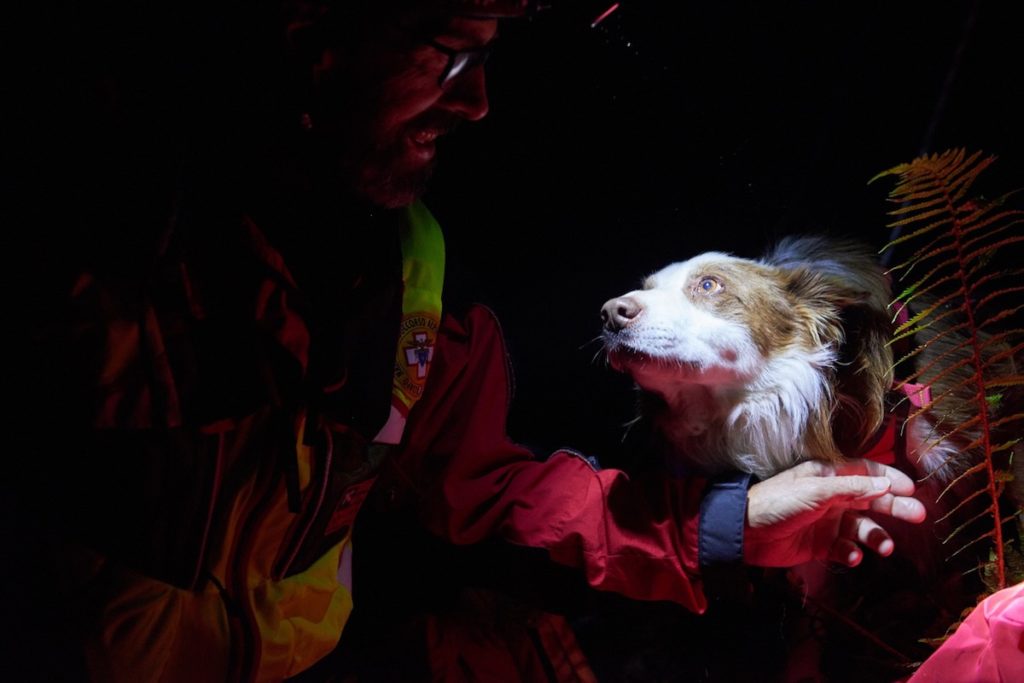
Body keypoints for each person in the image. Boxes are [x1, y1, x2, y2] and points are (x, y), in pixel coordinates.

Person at [10, 0, 926, 681]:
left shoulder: (418, 267)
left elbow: (486, 492)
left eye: (487, 60)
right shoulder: (92, 223)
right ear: (312, 36)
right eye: (450, 52)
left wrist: (732, 524)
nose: (479, 102)